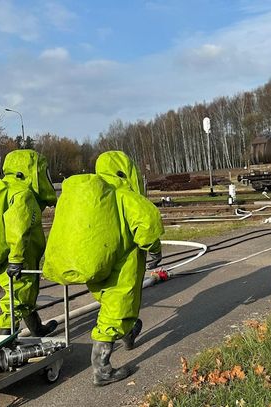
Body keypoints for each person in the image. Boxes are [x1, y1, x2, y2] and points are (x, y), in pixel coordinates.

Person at [89, 150, 164, 386]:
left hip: (97, 263)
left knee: (112, 304)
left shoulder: (96, 197)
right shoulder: (123, 194)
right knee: (115, 310)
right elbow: (148, 223)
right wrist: (154, 250)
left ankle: (130, 331)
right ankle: (101, 371)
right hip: (123, 264)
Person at [0, 149, 58, 336]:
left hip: (7, 252)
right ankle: (2, 343)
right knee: (17, 297)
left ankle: (37, 328)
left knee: (24, 293)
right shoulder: (24, 194)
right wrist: (17, 259)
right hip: (21, 254)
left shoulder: (6, 189)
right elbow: (18, 228)